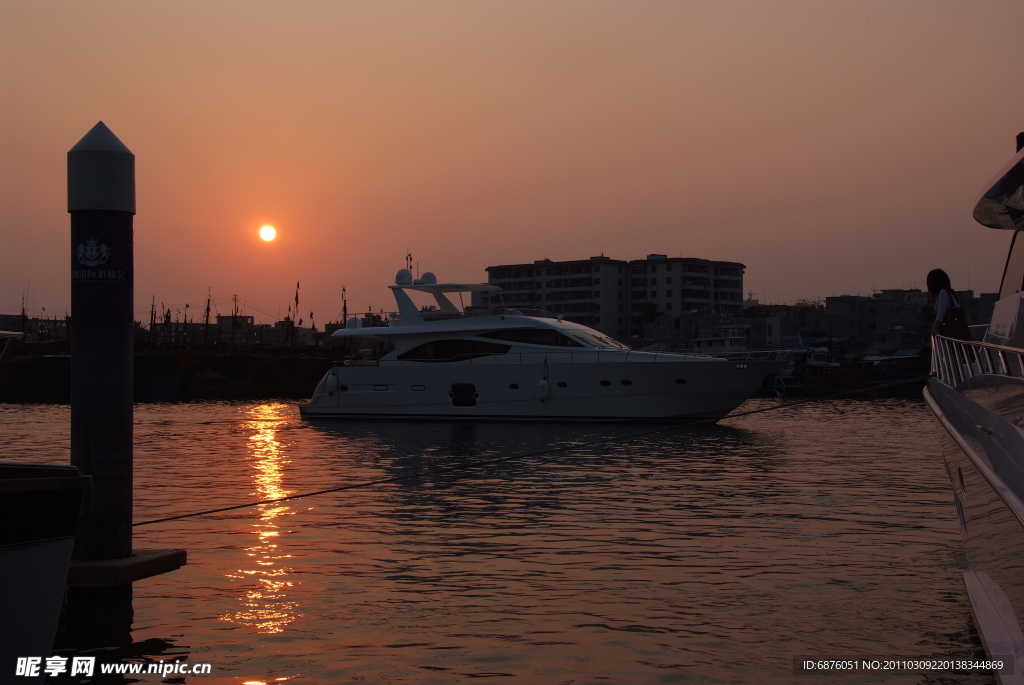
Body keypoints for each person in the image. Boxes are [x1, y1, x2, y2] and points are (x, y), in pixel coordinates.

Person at [927, 269, 972, 340]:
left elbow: (940, 314)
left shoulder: (943, 293)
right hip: (955, 334)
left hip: (951, 334)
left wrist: (935, 329)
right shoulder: (948, 293)